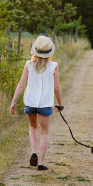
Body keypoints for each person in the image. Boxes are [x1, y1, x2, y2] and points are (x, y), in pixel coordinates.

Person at [10, 35, 63, 171]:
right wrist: (60, 103)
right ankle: (41, 162)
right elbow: (57, 87)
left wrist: (13, 101)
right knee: (44, 132)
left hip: (31, 102)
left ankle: (33, 151)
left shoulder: (28, 65)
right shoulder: (53, 67)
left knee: (33, 127)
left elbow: (21, 84)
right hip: (45, 104)